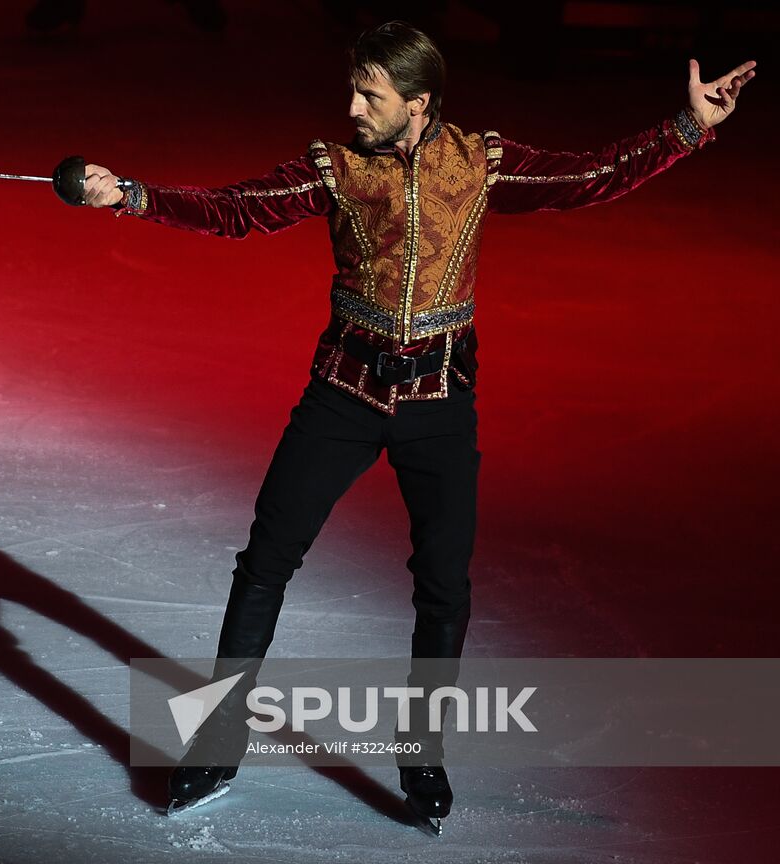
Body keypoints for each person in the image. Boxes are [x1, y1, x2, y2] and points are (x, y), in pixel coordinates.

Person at [79, 21, 756, 830]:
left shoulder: (477, 163)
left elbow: (588, 175)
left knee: (443, 589)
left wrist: (686, 128)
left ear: (419, 103)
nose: (353, 105)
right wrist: (133, 196)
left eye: (371, 93)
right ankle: (219, 739)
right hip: (343, 391)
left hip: (439, 402)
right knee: (265, 561)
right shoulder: (336, 168)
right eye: (354, 88)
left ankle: (420, 754)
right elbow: (235, 210)